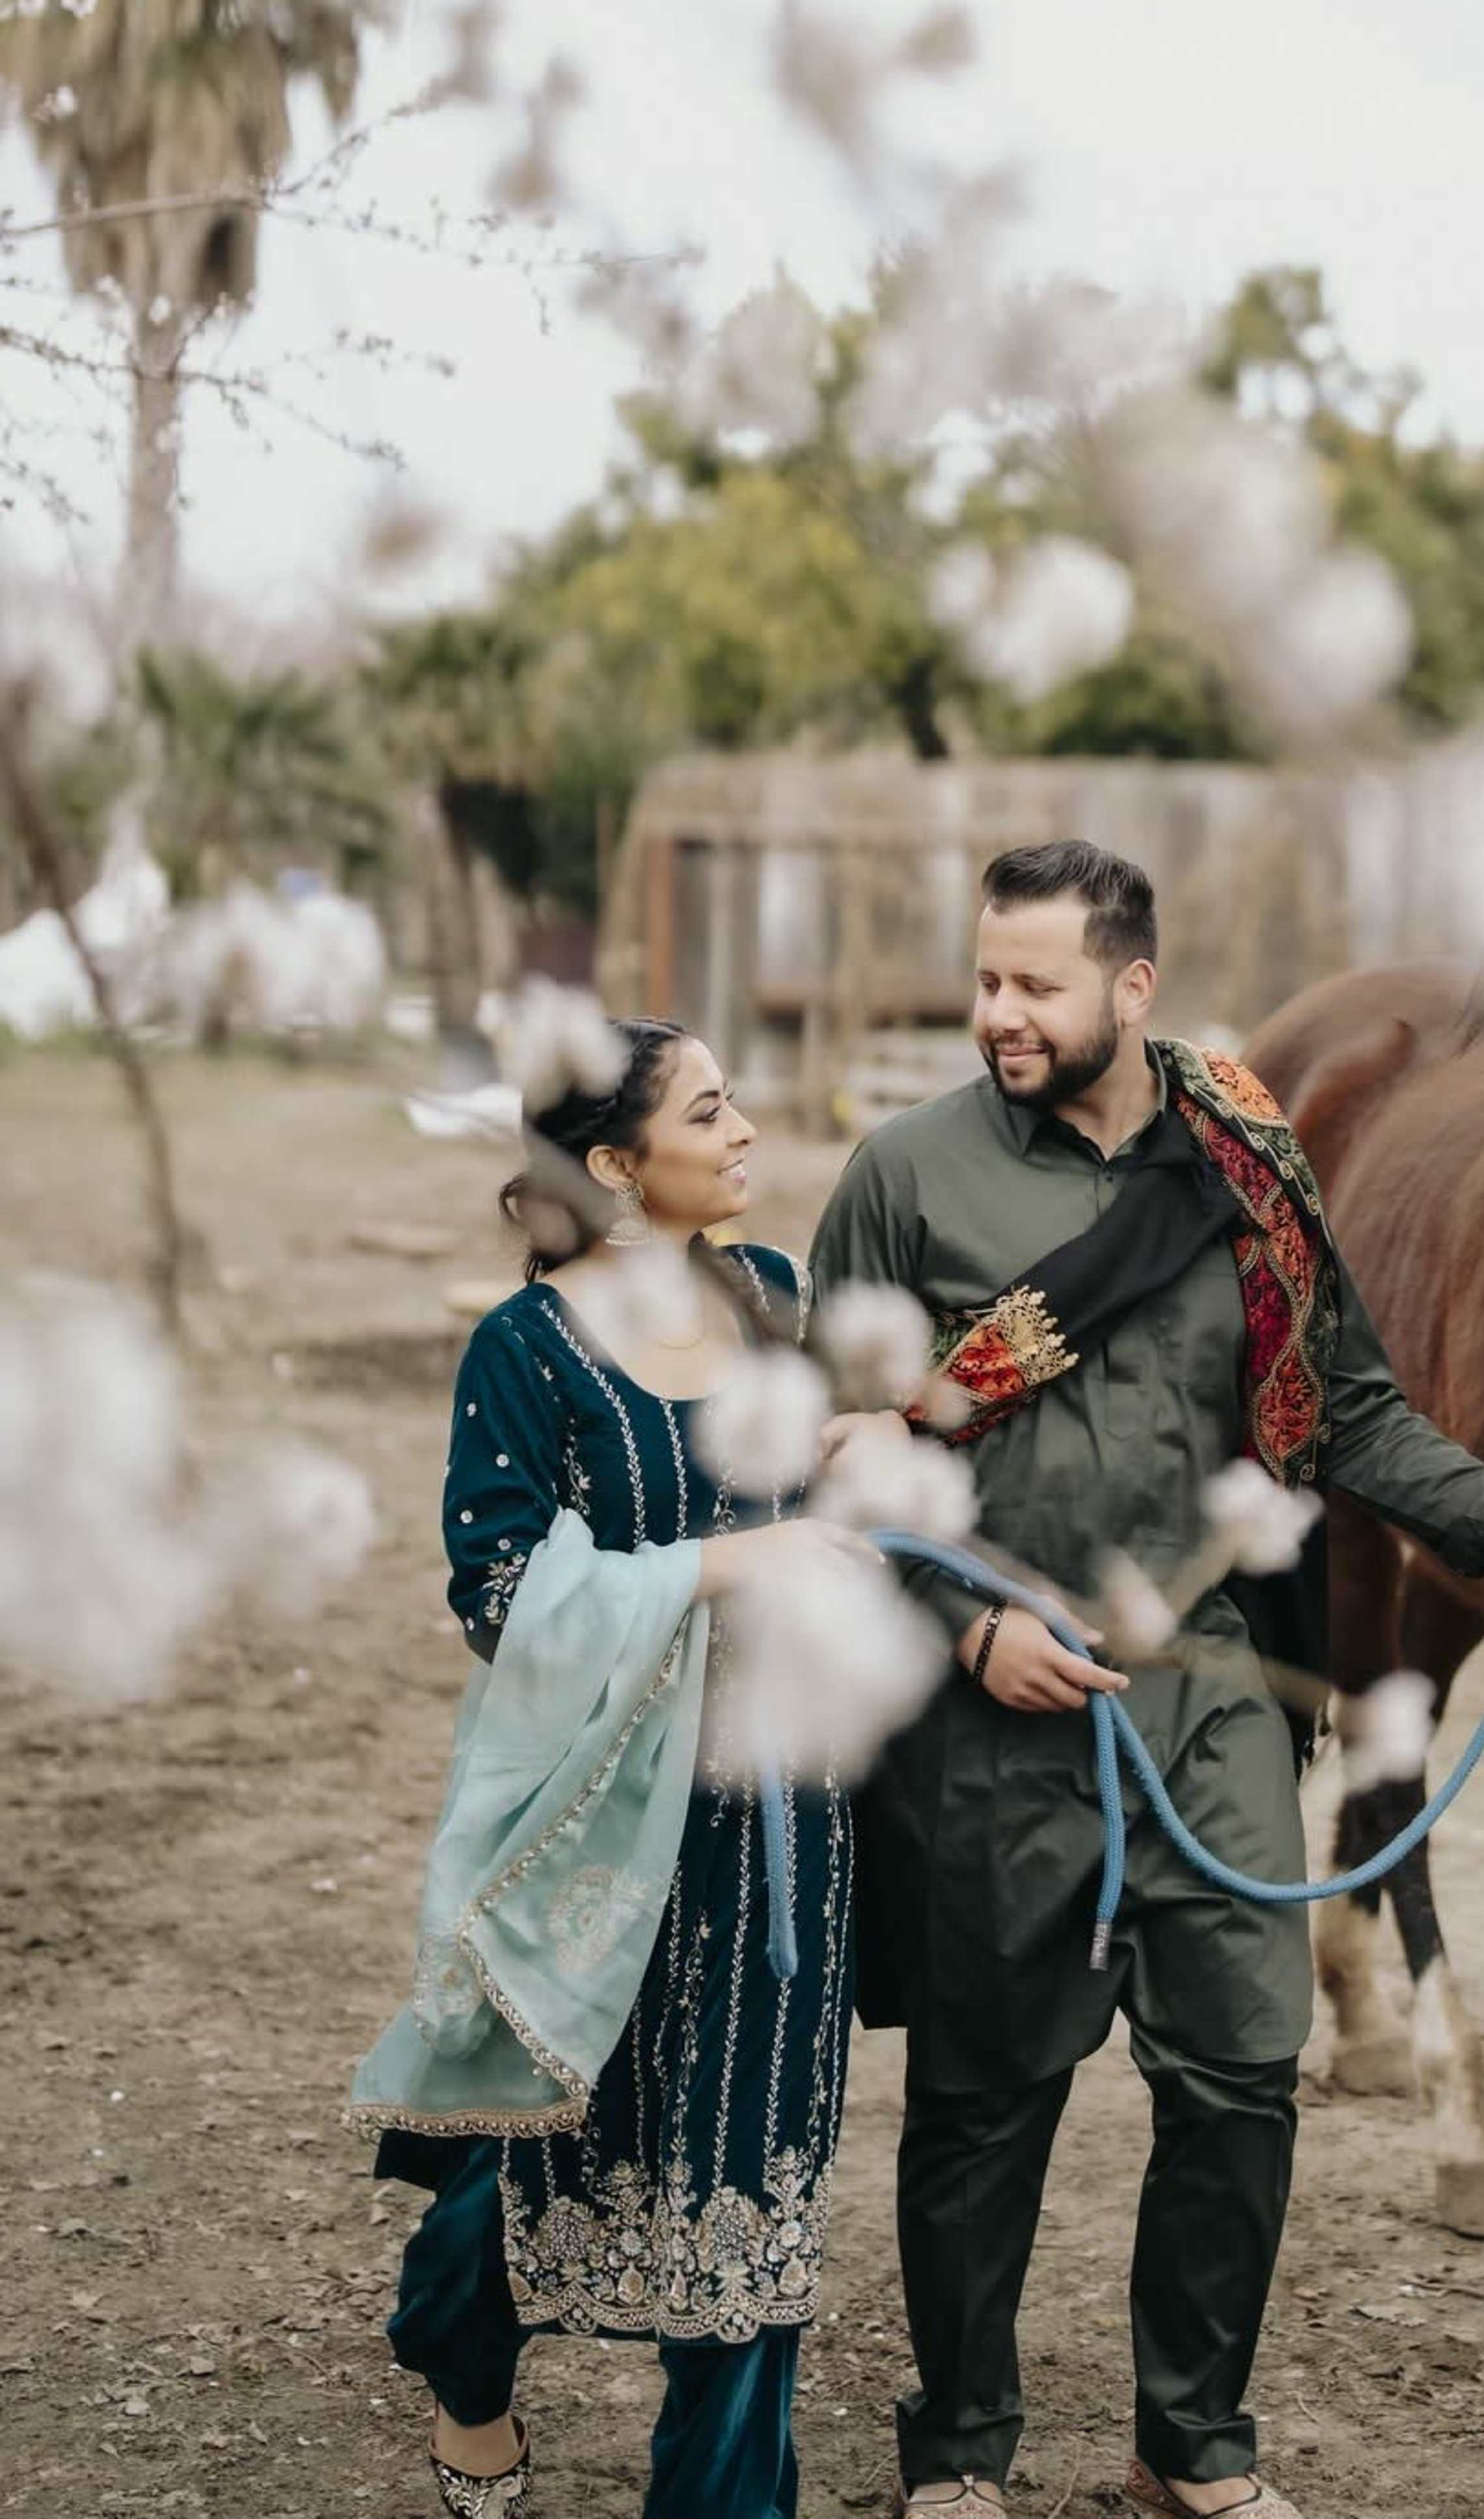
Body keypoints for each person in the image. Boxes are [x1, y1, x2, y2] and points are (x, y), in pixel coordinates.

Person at [812, 841, 1484, 2519]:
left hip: (1219, 1707)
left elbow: (1355, 1415)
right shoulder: (902, 1181)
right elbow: (835, 1464)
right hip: (1000, 1713)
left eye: (1035, 984)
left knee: (1246, 2079)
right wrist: (966, 1632)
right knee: (983, 2100)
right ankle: (961, 2454)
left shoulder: (1253, 1166)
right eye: (986, 981)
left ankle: (1191, 2445)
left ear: (1133, 987)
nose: (999, 1015)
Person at [353, 1020, 894, 2519]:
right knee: (519, 2158)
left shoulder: (769, 1293)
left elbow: (796, 1482)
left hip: (781, 1812)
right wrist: (732, 1560)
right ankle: (461, 2366)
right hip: (593, 1819)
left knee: (749, 2183)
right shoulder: (525, 1351)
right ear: (613, 1165)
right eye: (709, 1110)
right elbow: (498, 1593)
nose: (743, 1129)